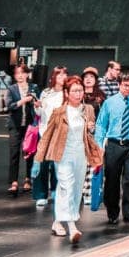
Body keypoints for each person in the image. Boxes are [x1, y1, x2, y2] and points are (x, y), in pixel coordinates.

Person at [35, 75, 103, 244]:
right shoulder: (59, 112)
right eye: (74, 91)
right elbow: (48, 134)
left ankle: (58, 222)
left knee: (75, 189)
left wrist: (91, 128)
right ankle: (72, 227)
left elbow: (91, 130)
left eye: (80, 91)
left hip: (81, 154)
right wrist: (39, 157)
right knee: (67, 186)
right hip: (63, 154)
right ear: (66, 93)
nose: (78, 94)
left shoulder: (87, 109)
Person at [94, 71, 129, 225]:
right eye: (125, 85)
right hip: (113, 145)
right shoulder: (109, 103)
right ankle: (112, 213)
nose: (127, 88)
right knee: (112, 180)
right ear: (119, 85)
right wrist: (99, 145)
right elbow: (100, 125)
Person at [33, 66, 67, 208]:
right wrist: (37, 106)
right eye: (59, 75)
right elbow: (40, 113)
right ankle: (41, 195)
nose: (63, 77)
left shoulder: (67, 93)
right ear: (53, 77)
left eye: (65, 74)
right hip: (45, 131)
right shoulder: (46, 93)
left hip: (60, 133)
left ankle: (55, 190)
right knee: (42, 164)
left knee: (57, 164)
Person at [6, 63, 37, 195]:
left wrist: (35, 101)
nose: (19, 75)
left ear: (27, 74)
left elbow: (39, 103)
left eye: (22, 73)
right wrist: (24, 100)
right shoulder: (11, 89)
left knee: (29, 153)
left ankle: (28, 179)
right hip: (15, 125)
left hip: (30, 125)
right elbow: (10, 106)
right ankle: (13, 181)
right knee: (14, 153)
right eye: (17, 73)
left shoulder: (33, 87)